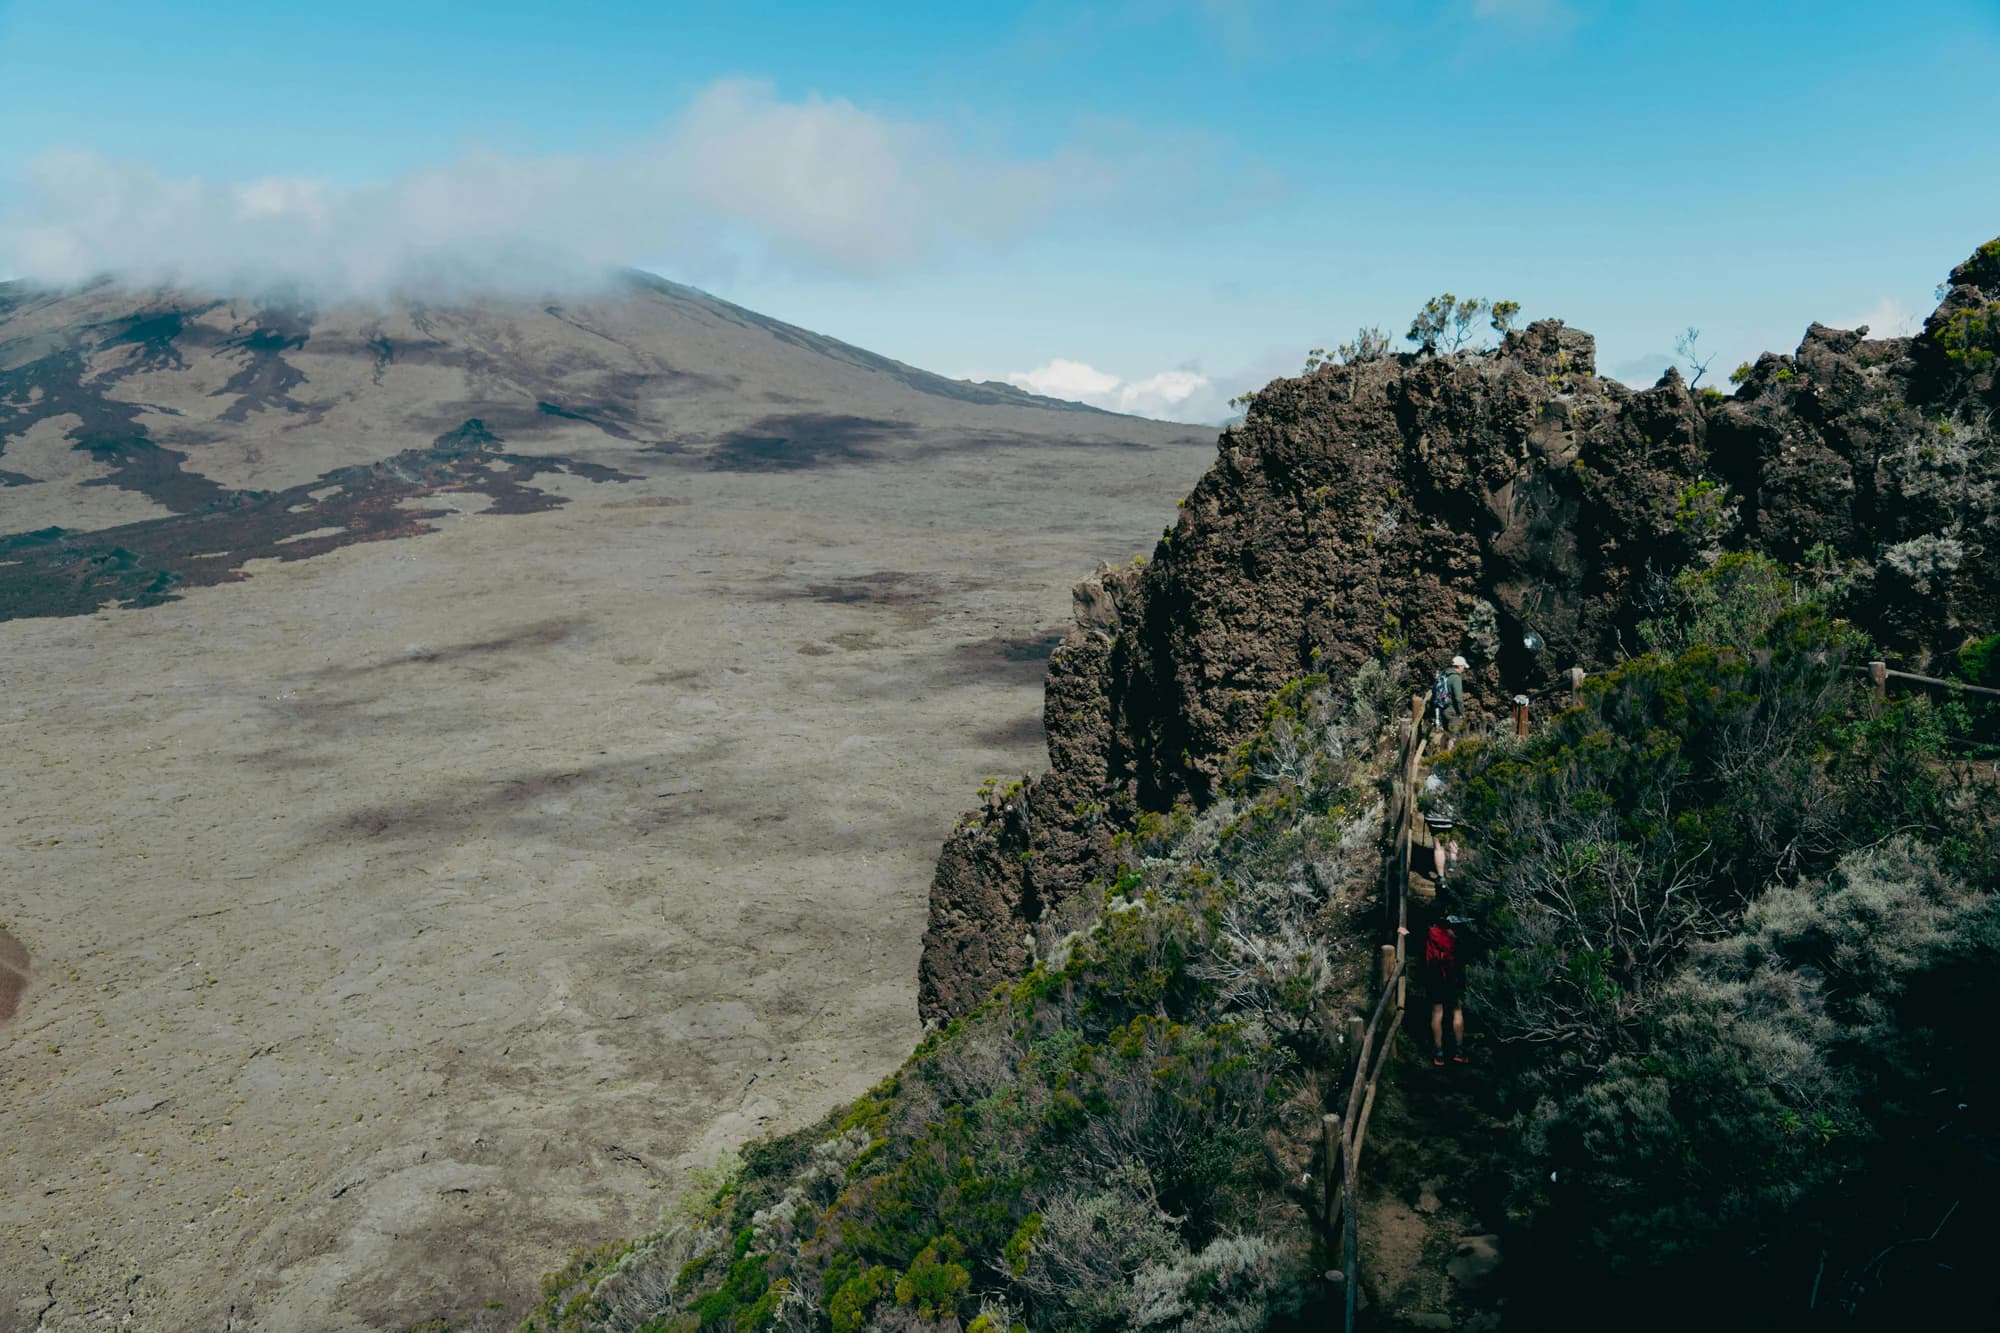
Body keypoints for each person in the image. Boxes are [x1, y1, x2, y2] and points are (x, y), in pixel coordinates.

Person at [1426, 912, 1470, 1066]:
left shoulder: (1432, 933)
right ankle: (1459, 1052)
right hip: (1454, 976)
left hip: (1435, 975)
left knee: (1437, 1012)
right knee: (1457, 1011)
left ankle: (1439, 1054)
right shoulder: (1456, 935)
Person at [1419, 771, 1461, 886]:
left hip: (1434, 818)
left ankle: (1441, 877)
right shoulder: (1457, 778)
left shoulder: (1430, 780)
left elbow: (1422, 798)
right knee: (1453, 838)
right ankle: (1452, 862)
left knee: (1438, 847)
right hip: (1451, 817)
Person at [1431, 655, 1468, 733]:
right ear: (1459, 666)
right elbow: (1458, 698)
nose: (1464, 669)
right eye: (1463, 666)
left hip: (1442, 708)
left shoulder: (1444, 674)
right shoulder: (1455, 678)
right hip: (1452, 710)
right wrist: (1461, 713)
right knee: (1455, 734)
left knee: (1447, 733)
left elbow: (1435, 690)